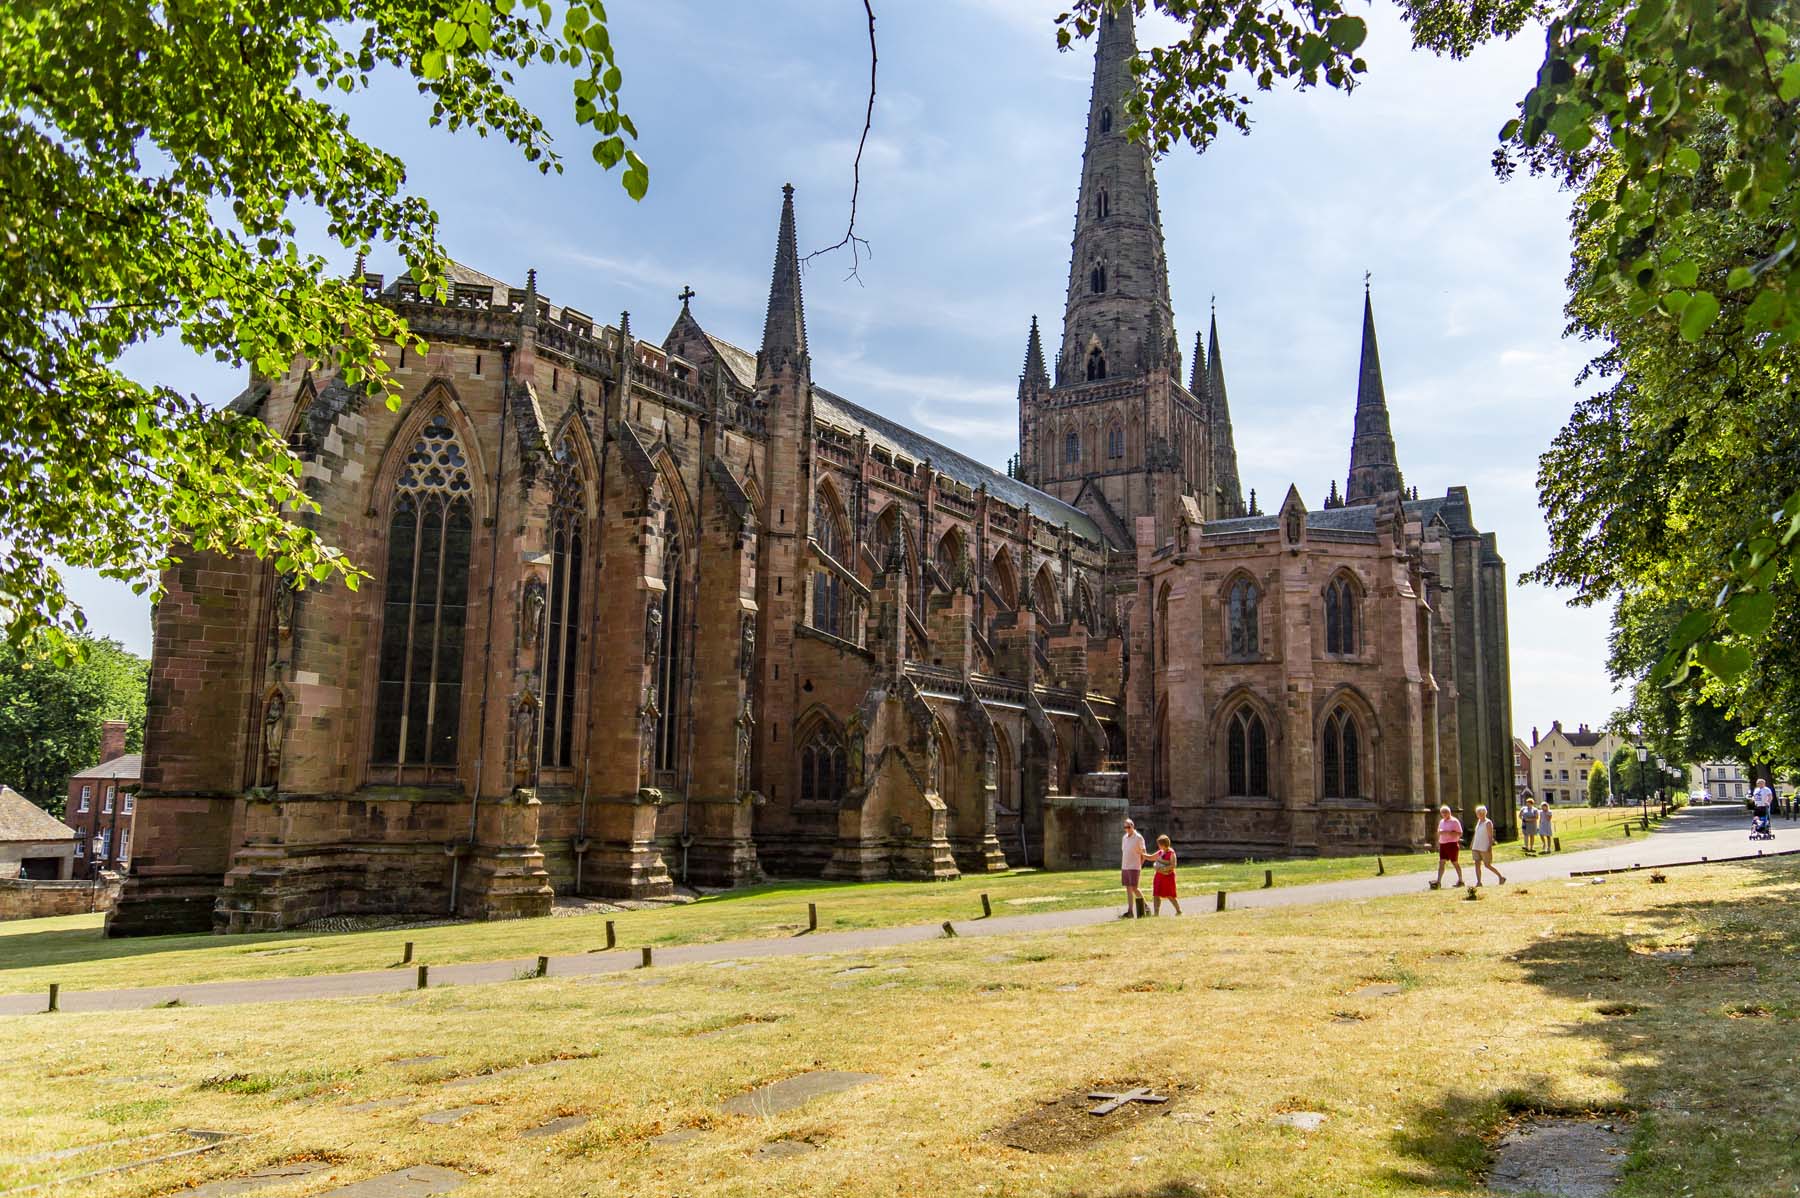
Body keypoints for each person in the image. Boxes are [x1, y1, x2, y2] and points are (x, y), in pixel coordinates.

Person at [1469, 804, 1505, 886]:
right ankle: (1479, 882)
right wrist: (1472, 844)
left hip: (1484, 847)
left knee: (1487, 865)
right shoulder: (1478, 822)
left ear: (1484, 813)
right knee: (1477, 863)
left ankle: (1500, 877)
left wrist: (1489, 846)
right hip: (1476, 846)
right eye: (1478, 813)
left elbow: (1490, 836)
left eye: (1480, 813)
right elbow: (1476, 834)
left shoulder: (1488, 822)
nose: (1479, 814)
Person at [1120, 818, 1148, 919]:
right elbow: (1124, 851)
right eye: (1125, 827)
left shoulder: (1138, 837)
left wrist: (1140, 864)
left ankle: (1146, 907)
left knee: (1135, 888)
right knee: (1128, 888)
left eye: (1128, 827)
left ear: (1133, 826)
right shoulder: (1124, 838)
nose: (1126, 829)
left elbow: (1144, 853)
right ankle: (1130, 911)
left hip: (1134, 867)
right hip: (1125, 866)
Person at [1432, 804, 1465, 889]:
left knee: (1454, 862)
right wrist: (1441, 833)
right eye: (1442, 813)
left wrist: (1449, 832)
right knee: (1441, 862)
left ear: (1449, 812)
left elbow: (1460, 833)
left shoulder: (1454, 821)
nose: (1444, 814)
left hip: (1452, 844)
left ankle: (1460, 880)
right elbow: (1439, 831)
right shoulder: (1441, 821)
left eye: (1445, 812)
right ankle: (1438, 881)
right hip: (1443, 844)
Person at [1147, 834, 1181, 915]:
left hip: (1168, 876)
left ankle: (1178, 911)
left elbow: (1173, 865)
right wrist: (1142, 854)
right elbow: (1151, 857)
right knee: (1156, 894)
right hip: (1158, 876)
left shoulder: (1171, 853)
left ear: (1163, 844)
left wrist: (1163, 869)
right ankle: (1156, 913)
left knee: (1170, 895)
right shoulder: (1160, 852)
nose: (1158, 845)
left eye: (1159, 844)